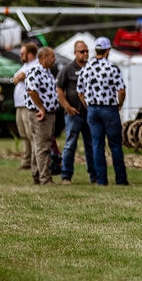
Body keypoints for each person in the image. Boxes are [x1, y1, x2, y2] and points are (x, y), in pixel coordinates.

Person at [76, 37, 129, 186]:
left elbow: (79, 92)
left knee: (97, 145)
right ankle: (120, 179)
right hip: (109, 109)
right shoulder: (112, 68)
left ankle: (101, 180)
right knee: (115, 145)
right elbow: (122, 90)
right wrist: (120, 103)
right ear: (107, 51)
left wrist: (88, 106)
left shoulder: (86, 68)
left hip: (93, 109)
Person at [57, 39, 95, 184]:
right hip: (73, 114)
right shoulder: (67, 69)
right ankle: (66, 175)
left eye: (87, 51)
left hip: (89, 114)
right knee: (70, 145)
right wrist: (67, 106)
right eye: (82, 51)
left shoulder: (91, 68)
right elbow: (59, 90)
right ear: (75, 53)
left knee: (91, 145)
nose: (85, 54)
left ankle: (94, 176)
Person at [25, 47, 60, 185]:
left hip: (48, 113)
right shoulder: (35, 71)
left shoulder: (47, 72)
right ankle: (45, 178)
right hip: (40, 115)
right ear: (44, 57)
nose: (54, 59)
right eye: (52, 56)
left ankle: (37, 175)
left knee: (38, 146)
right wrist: (41, 107)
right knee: (43, 147)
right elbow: (31, 91)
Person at [11, 41, 38, 171]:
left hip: (28, 105)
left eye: (23, 53)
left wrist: (18, 78)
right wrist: (17, 78)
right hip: (20, 105)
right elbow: (15, 78)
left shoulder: (35, 65)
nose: (21, 55)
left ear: (30, 54)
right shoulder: (25, 65)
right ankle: (27, 159)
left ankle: (34, 160)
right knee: (23, 134)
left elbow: (19, 77)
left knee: (30, 133)